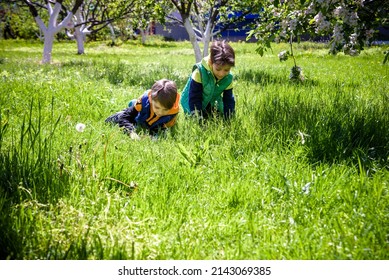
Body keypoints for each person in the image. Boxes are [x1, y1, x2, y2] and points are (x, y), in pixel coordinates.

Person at [105, 79, 180, 139]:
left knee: (160, 136)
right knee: (111, 120)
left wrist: (150, 136)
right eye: (157, 107)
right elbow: (124, 117)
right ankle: (133, 103)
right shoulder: (143, 102)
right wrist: (131, 132)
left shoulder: (172, 113)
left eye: (165, 110)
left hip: (150, 123)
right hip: (140, 115)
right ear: (151, 99)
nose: (160, 112)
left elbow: (161, 129)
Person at [180, 40, 235, 120]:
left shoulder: (228, 78)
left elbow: (228, 100)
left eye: (226, 70)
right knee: (194, 117)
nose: (221, 74)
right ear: (210, 62)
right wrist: (197, 118)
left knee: (216, 116)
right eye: (218, 69)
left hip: (211, 100)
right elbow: (194, 98)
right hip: (191, 100)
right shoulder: (199, 73)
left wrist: (229, 118)